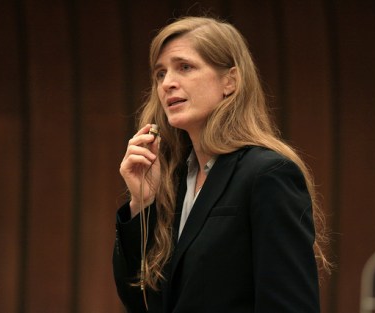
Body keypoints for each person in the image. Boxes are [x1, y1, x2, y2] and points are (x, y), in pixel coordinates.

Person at [113, 16, 330, 313]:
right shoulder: (174, 180)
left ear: (230, 81)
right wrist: (142, 202)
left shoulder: (267, 174)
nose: (167, 84)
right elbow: (145, 304)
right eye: (160, 74)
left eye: (185, 67)